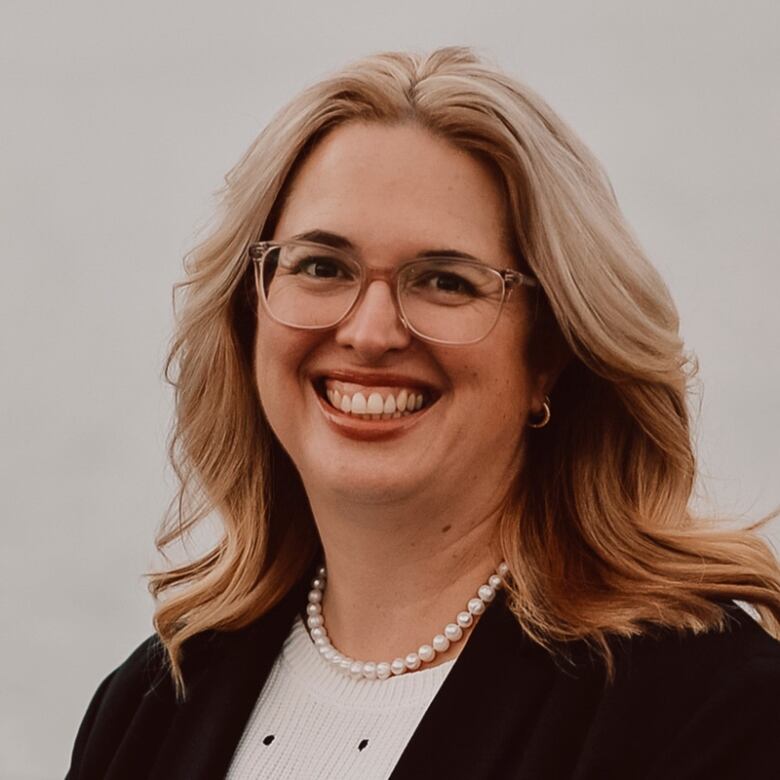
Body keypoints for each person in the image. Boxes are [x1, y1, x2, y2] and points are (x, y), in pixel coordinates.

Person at [67, 47, 780, 779]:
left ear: (551, 352)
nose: (371, 332)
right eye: (321, 265)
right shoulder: (149, 708)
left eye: (444, 281)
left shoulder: (712, 711)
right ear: (250, 311)